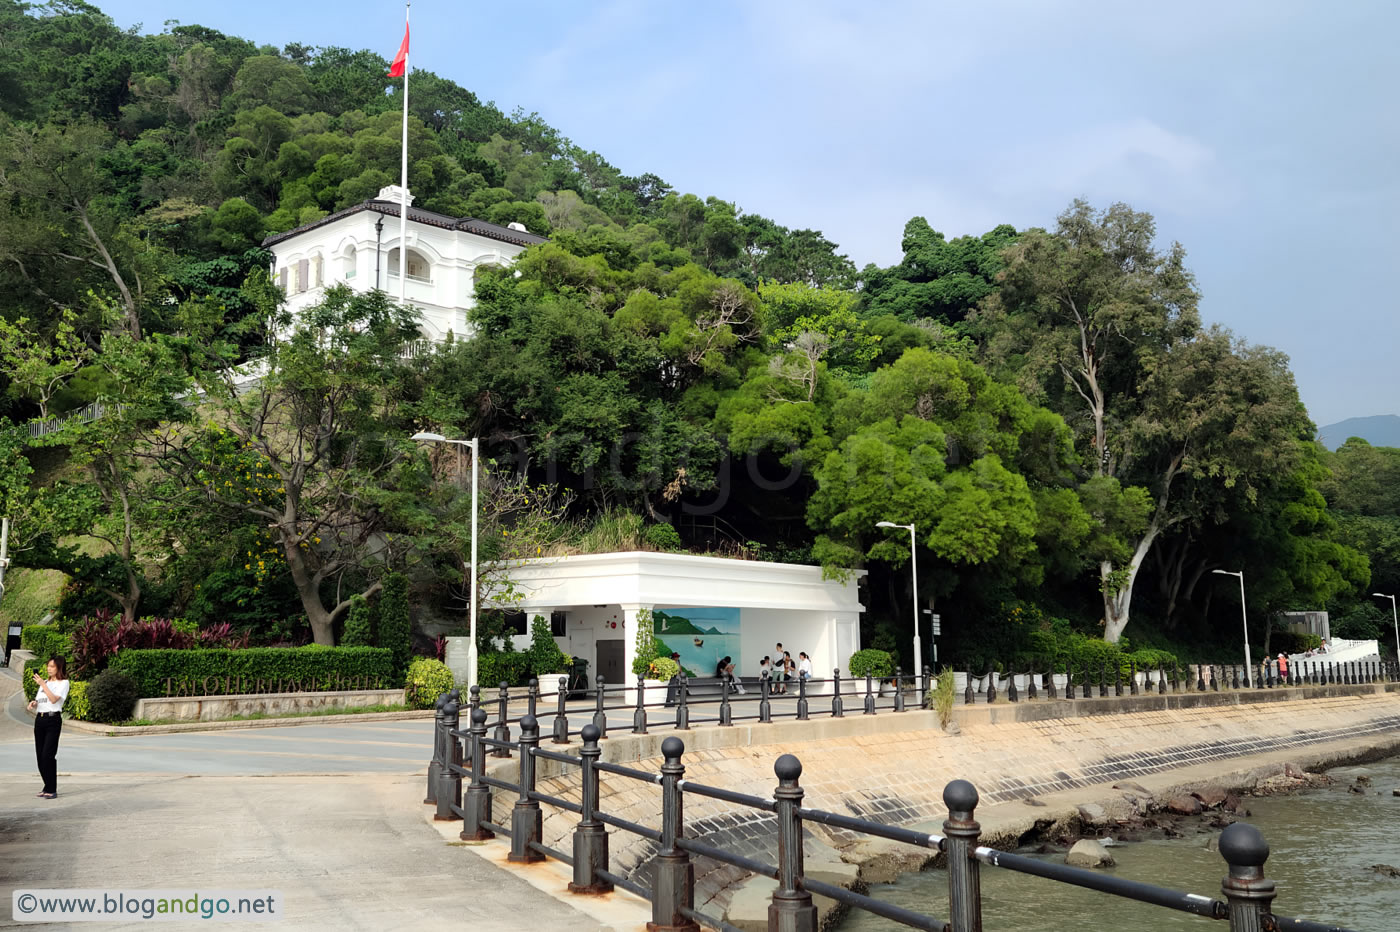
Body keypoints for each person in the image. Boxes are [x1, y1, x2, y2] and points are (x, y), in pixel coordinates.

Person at [28, 656, 70, 799]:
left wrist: (43, 685)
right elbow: (42, 701)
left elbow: (53, 700)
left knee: (48, 755)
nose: (49, 668)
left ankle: (52, 789)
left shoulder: (63, 683)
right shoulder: (44, 683)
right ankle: (47, 786)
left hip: (53, 720)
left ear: (59, 668)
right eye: (48, 666)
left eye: (52, 666)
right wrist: (33, 703)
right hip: (40, 720)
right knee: (40, 756)